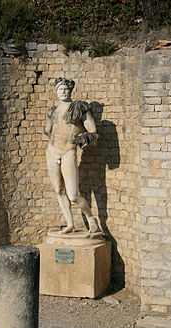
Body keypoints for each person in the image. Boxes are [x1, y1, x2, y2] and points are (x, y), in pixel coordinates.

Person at [44, 77, 100, 234]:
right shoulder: (52, 111)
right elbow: (48, 131)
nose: (63, 91)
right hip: (51, 152)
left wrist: (80, 137)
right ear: (56, 91)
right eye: (60, 88)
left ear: (71, 90)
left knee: (74, 195)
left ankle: (90, 219)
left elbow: (94, 133)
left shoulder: (80, 108)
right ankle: (70, 223)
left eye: (66, 89)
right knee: (59, 191)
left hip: (68, 152)